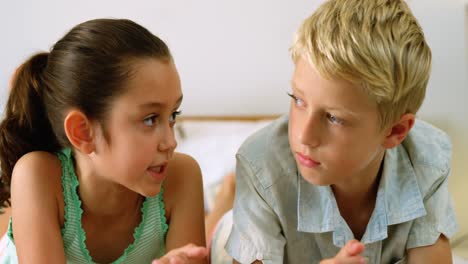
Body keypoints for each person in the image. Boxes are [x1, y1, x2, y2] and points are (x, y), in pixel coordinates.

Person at [224, 0, 459, 263]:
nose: (303, 136)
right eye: (298, 100)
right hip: (251, 225)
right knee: (221, 235)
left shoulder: (428, 160)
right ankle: (226, 192)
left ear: (395, 131)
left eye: (334, 118)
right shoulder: (260, 165)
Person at [0, 18, 208, 264]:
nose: (171, 142)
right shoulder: (36, 175)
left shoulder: (183, 176)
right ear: (83, 132)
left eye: (173, 115)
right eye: (151, 119)